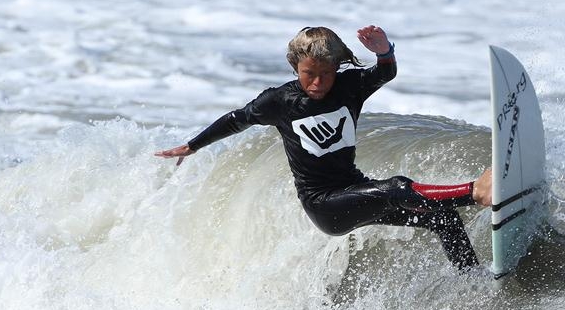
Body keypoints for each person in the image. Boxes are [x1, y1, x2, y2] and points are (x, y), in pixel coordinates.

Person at [155, 25, 492, 271]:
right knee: (397, 187)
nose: (317, 83)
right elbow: (237, 119)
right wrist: (193, 146)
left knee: (443, 218)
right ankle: (475, 191)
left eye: (326, 73)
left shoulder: (350, 86)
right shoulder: (280, 101)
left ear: (337, 68)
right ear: (295, 67)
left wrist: (384, 51)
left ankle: (473, 278)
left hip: (355, 188)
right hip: (325, 205)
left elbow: (384, 74)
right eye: (308, 74)